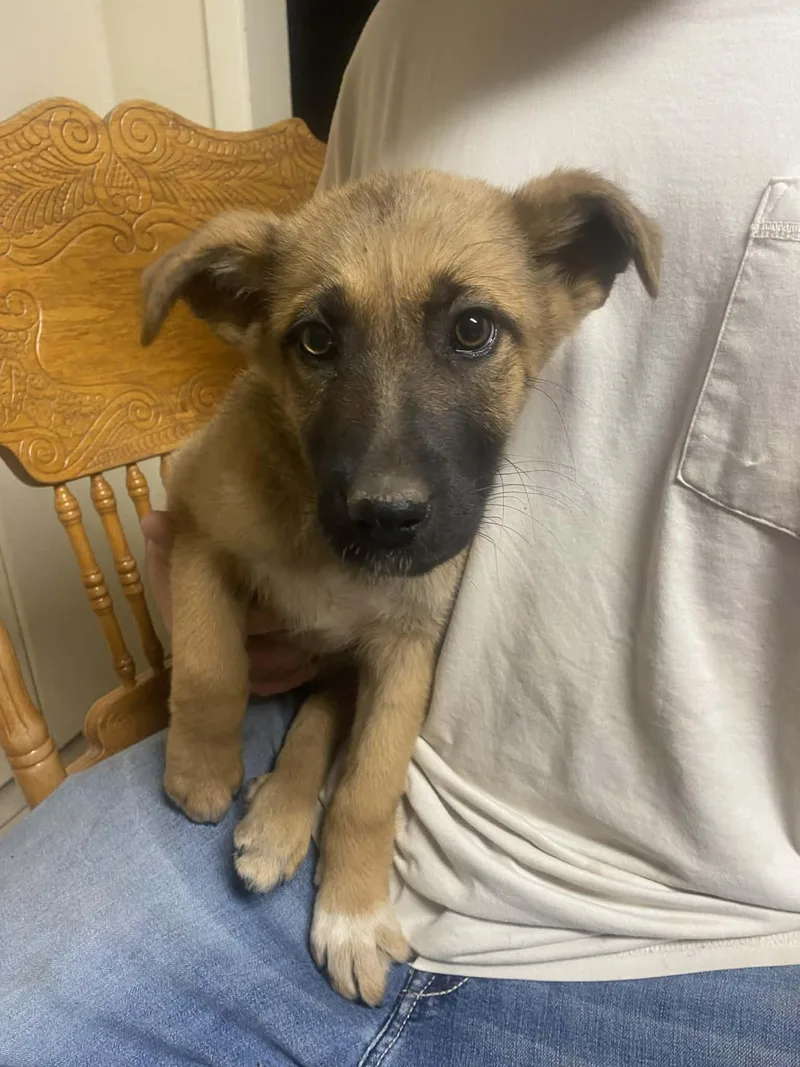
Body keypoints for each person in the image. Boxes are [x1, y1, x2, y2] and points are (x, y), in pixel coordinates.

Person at [3, 0, 800, 1062]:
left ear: (575, 278)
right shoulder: (399, 37)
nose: (385, 478)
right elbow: (215, 529)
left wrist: (346, 814)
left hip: (702, 926)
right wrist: (215, 687)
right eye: (320, 339)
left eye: (467, 331)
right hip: (314, 750)